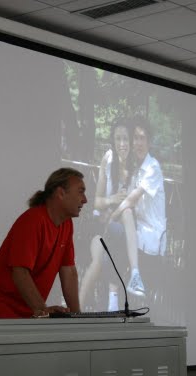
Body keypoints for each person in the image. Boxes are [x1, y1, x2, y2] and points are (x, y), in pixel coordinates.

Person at [0, 167, 87, 318]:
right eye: (80, 191)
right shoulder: (33, 220)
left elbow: (69, 272)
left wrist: (76, 317)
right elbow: (20, 272)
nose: (85, 200)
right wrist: (42, 309)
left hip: (26, 313)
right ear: (60, 193)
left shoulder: (66, 224)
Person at [79, 119, 141, 311]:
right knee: (98, 259)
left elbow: (133, 208)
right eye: (118, 139)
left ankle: (111, 302)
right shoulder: (108, 160)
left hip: (119, 227)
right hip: (100, 225)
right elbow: (96, 201)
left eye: (125, 139)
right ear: (113, 141)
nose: (122, 144)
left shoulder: (137, 166)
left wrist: (116, 211)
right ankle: (77, 308)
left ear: (131, 141)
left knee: (116, 234)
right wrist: (113, 198)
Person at [109, 118, 166, 296]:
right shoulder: (136, 169)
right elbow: (125, 197)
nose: (138, 143)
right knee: (114, 235)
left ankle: (124, 287)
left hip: (151, 237)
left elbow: (131, 199)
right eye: (135, 138)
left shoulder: (153, 168)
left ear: (149, 142)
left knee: (117, 227)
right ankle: (124, 285)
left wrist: (112, 217)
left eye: (142, 138)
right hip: (138, 231)